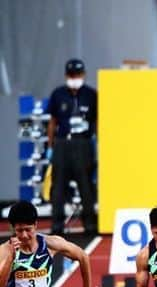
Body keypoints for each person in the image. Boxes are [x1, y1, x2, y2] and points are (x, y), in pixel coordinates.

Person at [45, 58, 98, 239]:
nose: (74, 78)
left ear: (83, 75)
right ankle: (57, 225)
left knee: (86, 186)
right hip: (62, 144)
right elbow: (52, 122)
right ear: (66, 75)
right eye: (71, 75)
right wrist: (50, 146)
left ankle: (90, 224)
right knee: (58, 187)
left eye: (78, 75)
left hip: (83, 144)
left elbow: (97, 121)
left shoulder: (91, 94)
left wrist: (97, 143)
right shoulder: (58, 94)